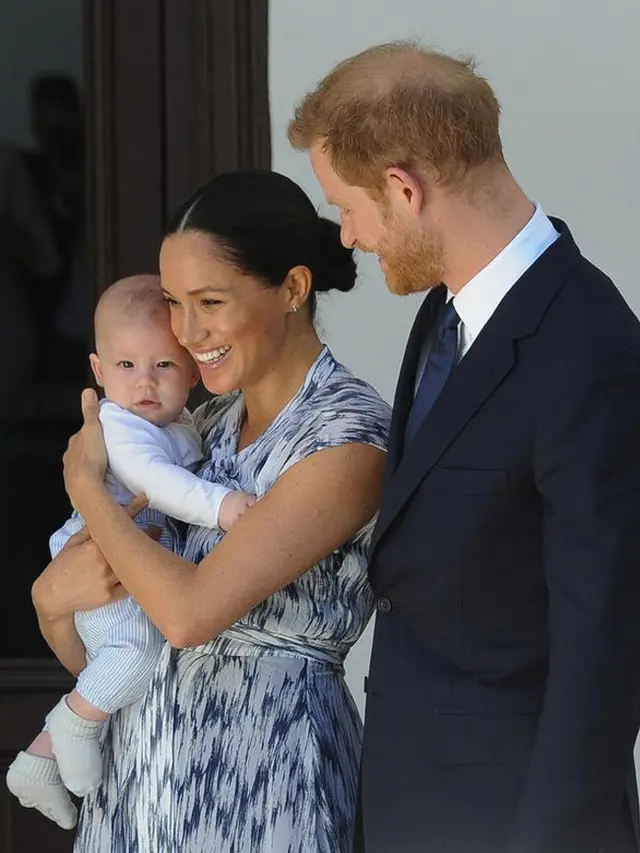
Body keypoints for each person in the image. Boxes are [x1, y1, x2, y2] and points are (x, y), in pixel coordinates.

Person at [288, 41, 640, 853]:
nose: (345, 236)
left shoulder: (588, 347)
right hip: (420, 804)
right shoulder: (445, 315)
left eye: (346, 206)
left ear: (405, 190)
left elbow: (604, 652)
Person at [31, 170, 391, 853]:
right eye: (172, 301)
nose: (186, 331)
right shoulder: (204, 424)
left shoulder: (348, 435)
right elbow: (110, 648)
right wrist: (51, 603)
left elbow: (188, 613)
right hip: (140, 785)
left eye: (210, 301)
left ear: (292, 288)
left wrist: (86, 490)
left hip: (263, 786)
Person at [7, 273, 253, 830]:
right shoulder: (119, 428)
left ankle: (40, 759)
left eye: (163, 366)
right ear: (98, 371)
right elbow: (157, 484)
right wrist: (223, 507)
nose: (144, 382)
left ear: (192, 370)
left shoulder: (183, 423)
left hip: (128, 559)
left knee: (131, 652)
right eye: (125, 367)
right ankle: (72, 723)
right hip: (101, 556)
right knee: (136, 652)